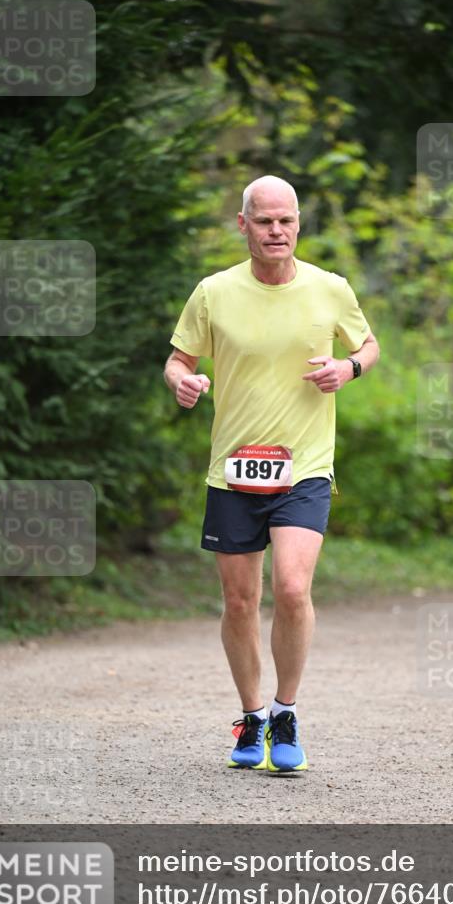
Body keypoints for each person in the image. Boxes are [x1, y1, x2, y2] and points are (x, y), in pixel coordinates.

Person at [164, 175, 379, 773]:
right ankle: (251, 717)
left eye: (285, 220)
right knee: (239, 602)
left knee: (290, 588)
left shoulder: (330, 289)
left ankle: (286, 711)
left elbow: (368, 347)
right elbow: (180, 358)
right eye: (264, 221)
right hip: (232, 471)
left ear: (299, 223)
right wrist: (181, 380)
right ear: (243, 225)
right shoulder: (212, 293)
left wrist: (349, 368)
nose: (276, 231)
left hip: (305, 467)